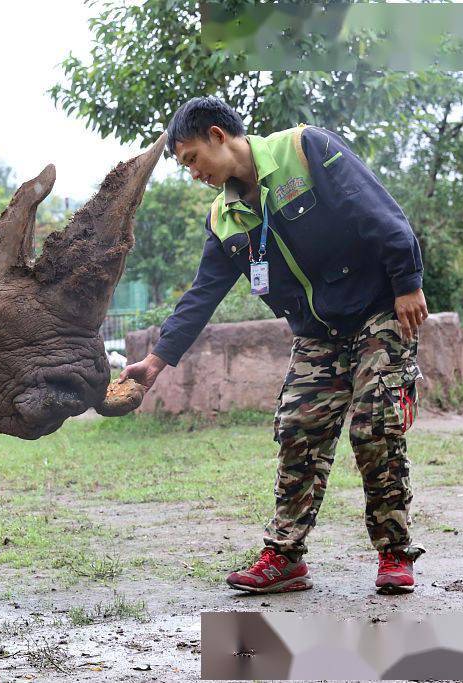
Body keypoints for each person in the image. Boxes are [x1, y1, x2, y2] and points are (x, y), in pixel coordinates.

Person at [121, 97, 428, 595]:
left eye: (192, 158)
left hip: (378, 309)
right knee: (297, 429)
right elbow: (203, 293)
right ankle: (285, 558)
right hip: (317, 332)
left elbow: (377, 210)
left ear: (219, 135)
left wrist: (407, 282)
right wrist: (157, 361)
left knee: (375, 425)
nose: (192, 172)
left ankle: (394, 553)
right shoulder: (224, 218)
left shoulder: (305, 150)